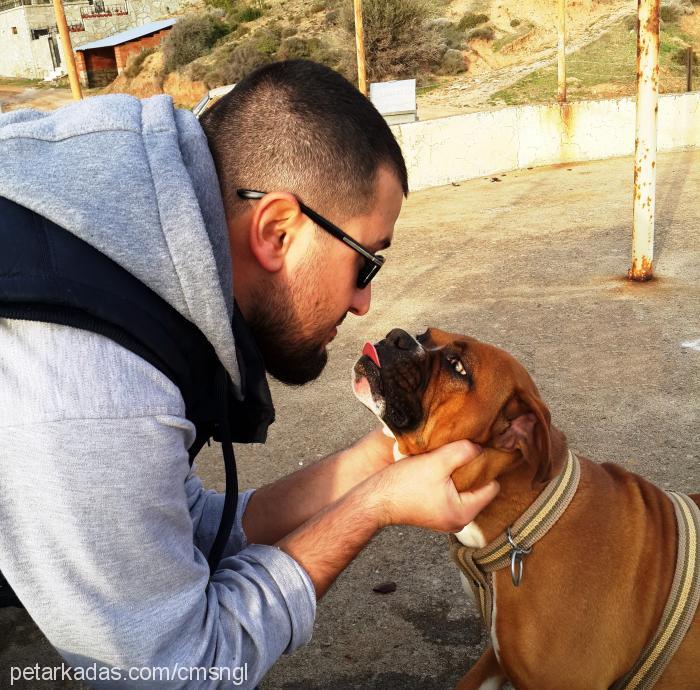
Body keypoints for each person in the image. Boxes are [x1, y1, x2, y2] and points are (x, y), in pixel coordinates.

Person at [0, 60, 499, 688]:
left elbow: (185, 534)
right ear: (277, 230)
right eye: (365, 264)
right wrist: (373, 508)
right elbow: (176, 672)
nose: (364, 303)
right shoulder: (93, 392)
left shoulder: (132, 228)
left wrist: (384, 459)